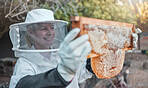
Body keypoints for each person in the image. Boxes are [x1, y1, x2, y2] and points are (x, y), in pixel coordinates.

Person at [9, 9, 141, 88]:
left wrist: (110, 51)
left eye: (52, 28)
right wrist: (60, 74)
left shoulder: (61, 54)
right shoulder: (25, 63)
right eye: (44, 29)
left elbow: (81, 71)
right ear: (31, 32)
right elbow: (23, 85)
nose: (50, 33)